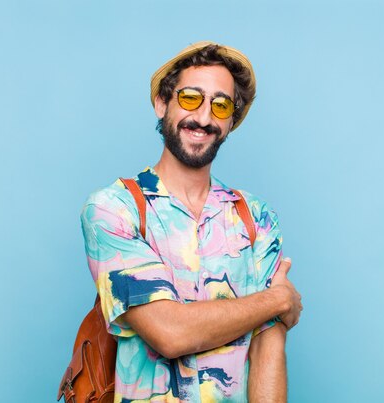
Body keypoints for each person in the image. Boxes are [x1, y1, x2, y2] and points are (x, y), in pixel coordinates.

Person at [81, 41, 302, 403]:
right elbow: (168, 332)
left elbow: (269, 347)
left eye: (220, 105)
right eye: (189, 99)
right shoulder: (114, 209)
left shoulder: (255, 217)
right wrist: (277, 300)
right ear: (161, 104)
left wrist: (271, 308)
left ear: (231, 122)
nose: (203, 117)